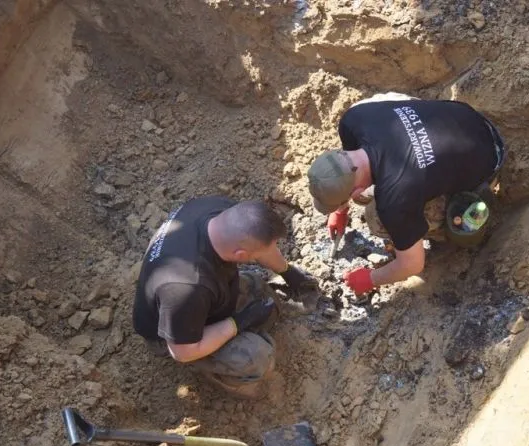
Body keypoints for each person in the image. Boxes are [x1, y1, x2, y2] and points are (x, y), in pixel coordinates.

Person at [307, 94, 506, 296]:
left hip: (489, 157)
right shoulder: (353, 119)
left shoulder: (393, 201)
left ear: (354, 191)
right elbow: (346, 171)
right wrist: (340, 210)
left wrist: (369, 279)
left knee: (376, 217)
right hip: (467, 117)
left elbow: (412, 265)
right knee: (383, 108)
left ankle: (443, 231)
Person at [132, 197, 315, 399]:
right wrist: (239, 323)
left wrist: (289, 273)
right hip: (177, 334)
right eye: (255, 255)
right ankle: (226, 378)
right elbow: (182, 351)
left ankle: (231, 327)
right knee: (256, 358)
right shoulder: (188, 287)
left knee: (258, 288)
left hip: (193, 299)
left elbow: (262, 245)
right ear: (240, 253)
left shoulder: (220, 211)